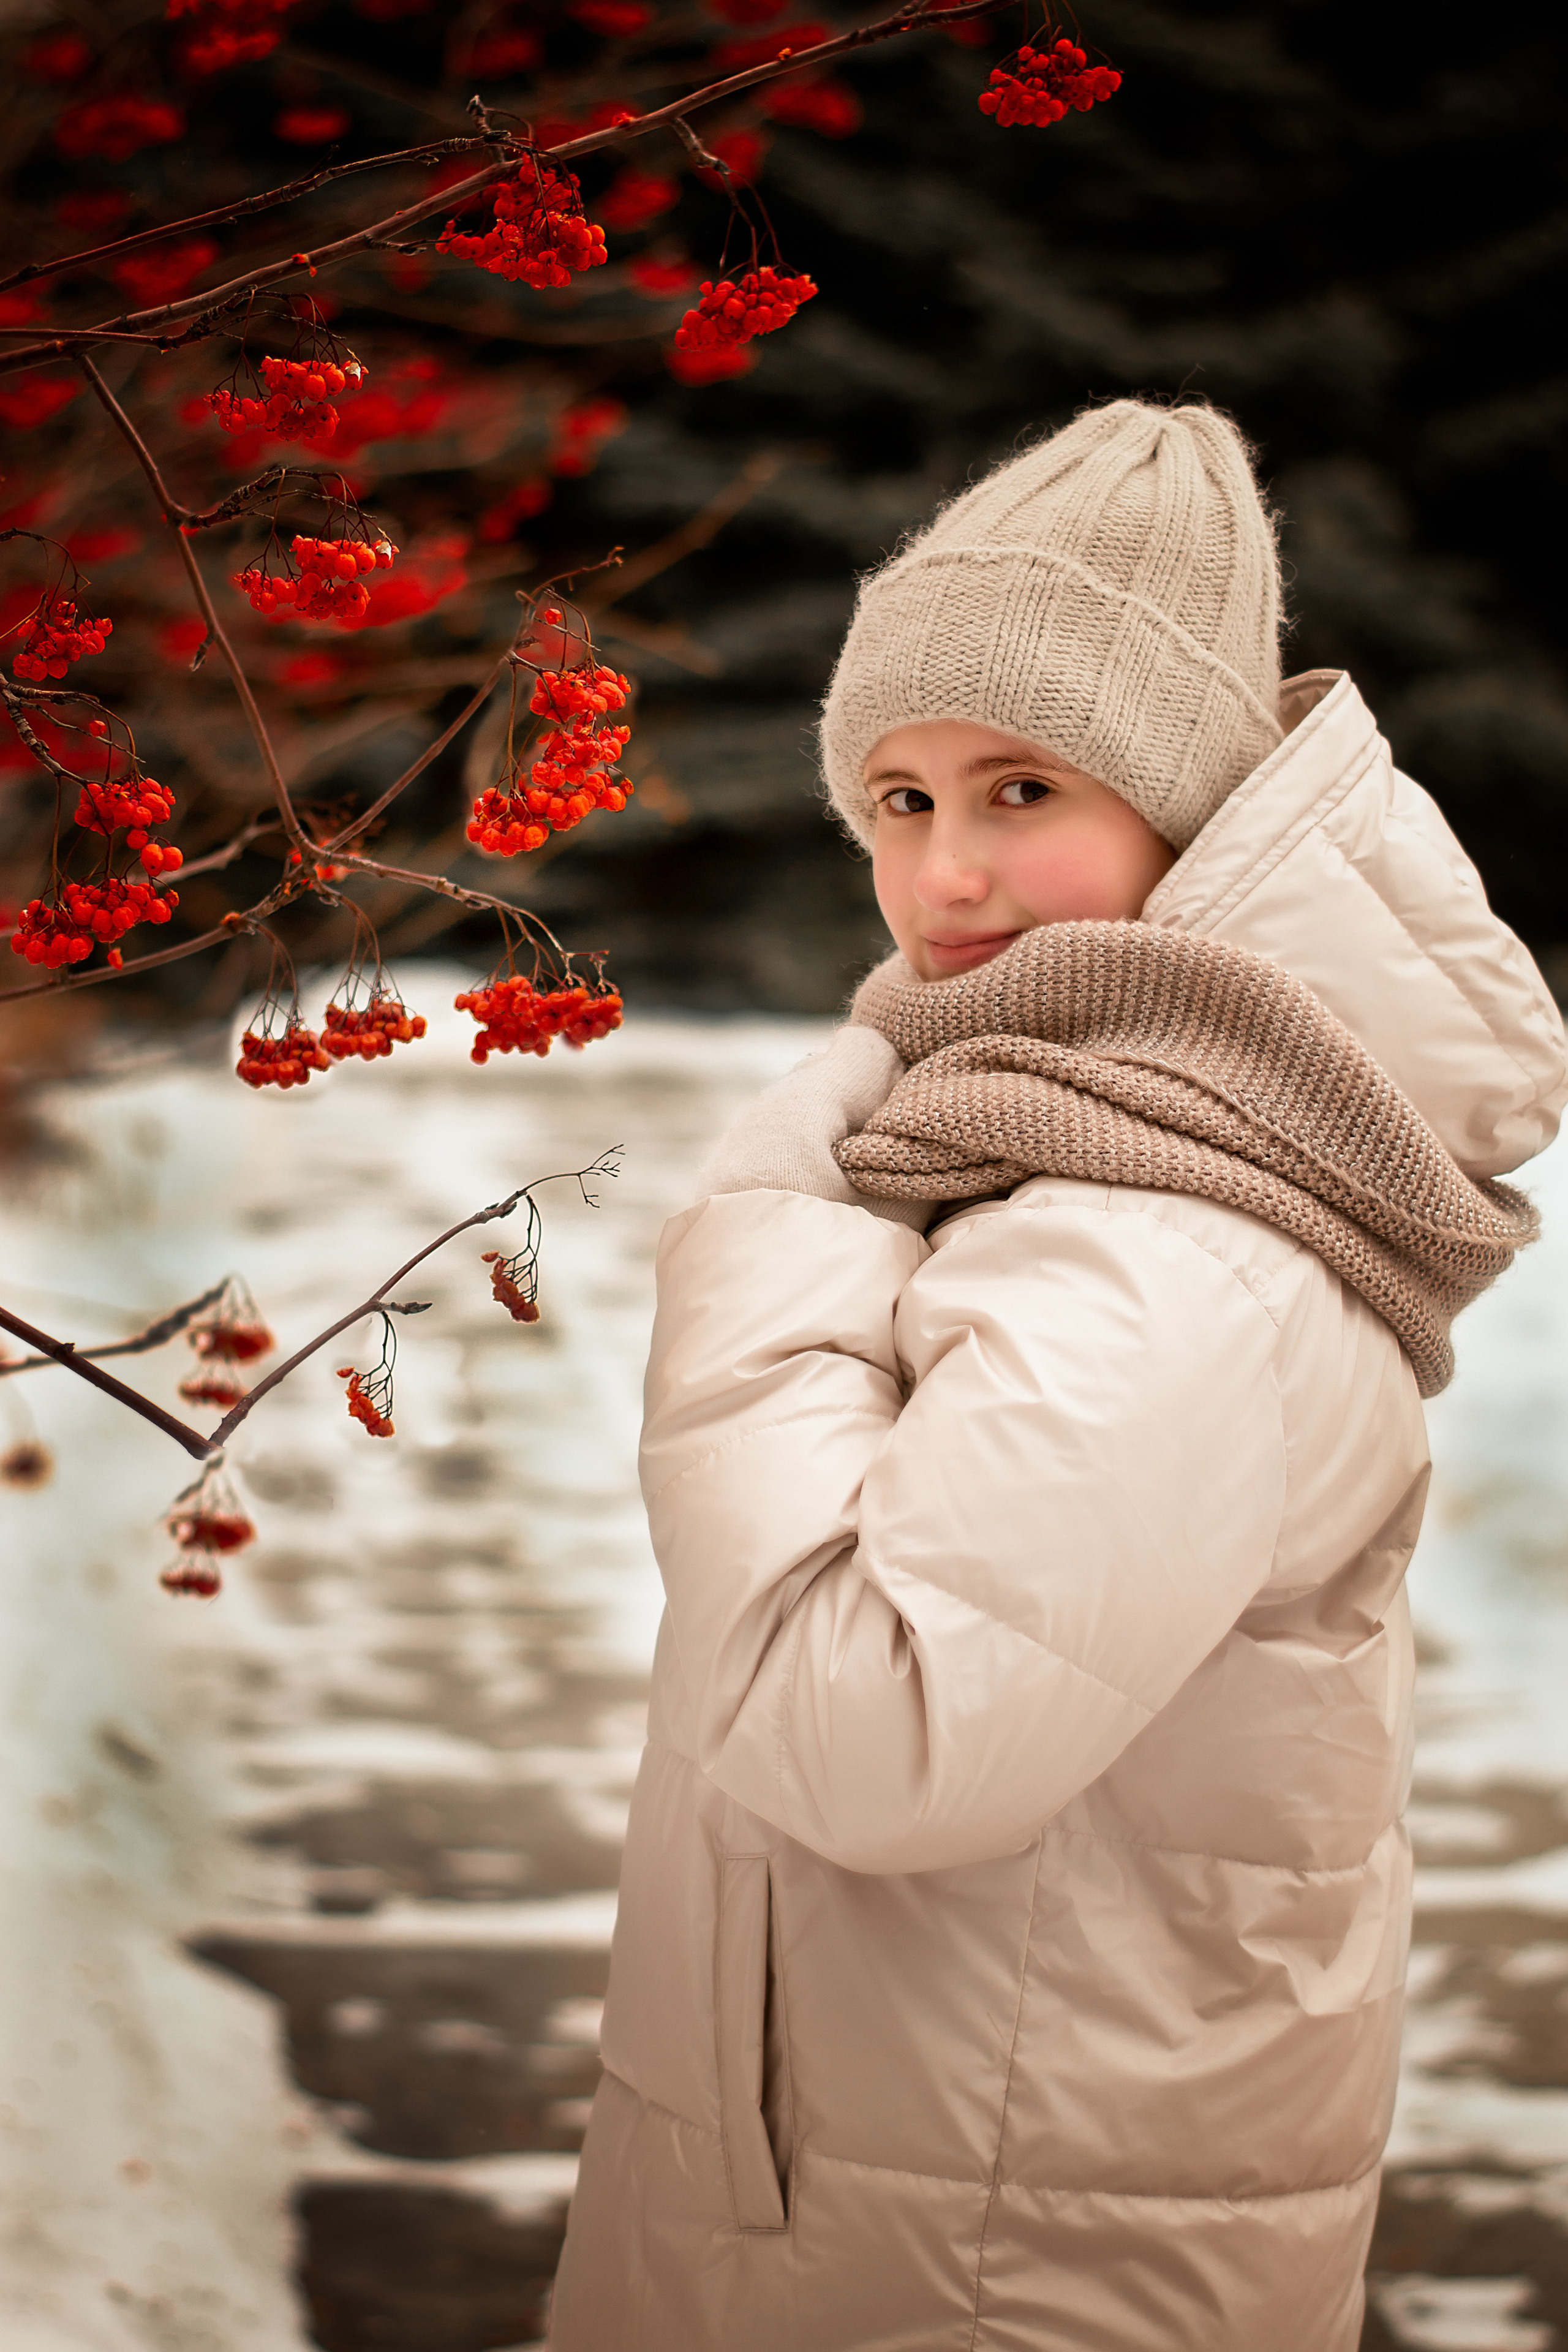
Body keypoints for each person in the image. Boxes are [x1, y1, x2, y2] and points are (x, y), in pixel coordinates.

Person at [548, 398, 1567, 2351]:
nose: (944, 877)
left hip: (988, 2257)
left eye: (1023, 790)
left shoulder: (1162, 1235)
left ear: (1184, 816)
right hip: (910, 2180)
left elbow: (880, 1736)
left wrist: (766, 1230)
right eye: (902, 802)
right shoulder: (1073, 1139)